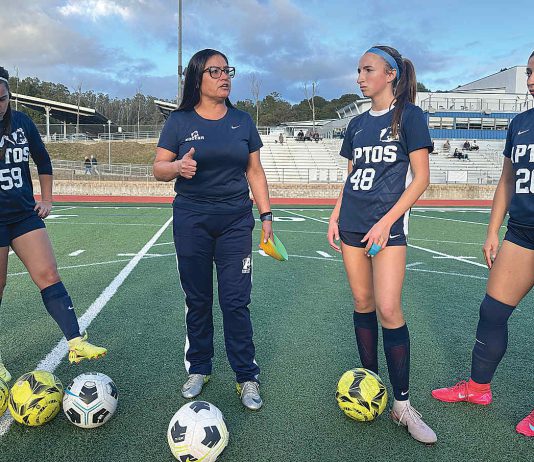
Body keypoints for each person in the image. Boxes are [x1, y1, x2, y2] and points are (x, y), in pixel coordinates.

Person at [153, 49, 274, 411]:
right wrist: (176, 167)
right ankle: (199, 368)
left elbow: (254, 171)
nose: (225, 76)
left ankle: (246, 376)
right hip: (192, 219)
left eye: (227, 70)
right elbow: (158, 168)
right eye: (215, 71)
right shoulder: (179, 121)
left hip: (236, 220)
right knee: (198, 299)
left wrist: (267, 215)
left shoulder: (242, 121)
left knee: (236, 300)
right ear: (197, 78)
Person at [327, 45, 436, 444]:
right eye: (357, 70)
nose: (359, 76)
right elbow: (352, 174)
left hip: (386, 230)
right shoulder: (356, 125)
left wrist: (388, 222)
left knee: (389, 308)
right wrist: (336, 213)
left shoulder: (410, 116)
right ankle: (370, 385)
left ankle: (403, 406)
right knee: (362, 304)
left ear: (390, 74)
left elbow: (421, 179)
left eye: (367, 69)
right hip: (353, 224)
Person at [432, 50, 534, 438]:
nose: (530, 79)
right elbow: (507, 180)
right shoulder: (521, 123)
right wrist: (493, 230)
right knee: (492, 313)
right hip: (521, 234)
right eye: (528, 72)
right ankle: (477, 389)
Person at [0, 67, 106, 383]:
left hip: (23, 214)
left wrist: (47, 199)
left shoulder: (22, 124)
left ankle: (75, 342)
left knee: (48, 274)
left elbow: (42, 161)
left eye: (2, 98)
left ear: (8, 96)